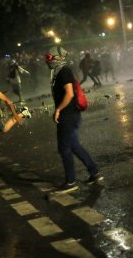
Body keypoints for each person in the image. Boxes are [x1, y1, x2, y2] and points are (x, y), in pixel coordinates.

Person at [45, 46, 103, 193]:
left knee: (64, 148)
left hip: (68, 115)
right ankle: (94, 172)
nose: (48, 60)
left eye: (50, 57)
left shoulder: (64, 71)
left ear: (58, 58)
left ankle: (70, 181)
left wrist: (58, 110)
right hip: (71, 114)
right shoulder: (59, 72)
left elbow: (69, 94)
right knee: (74, 146)